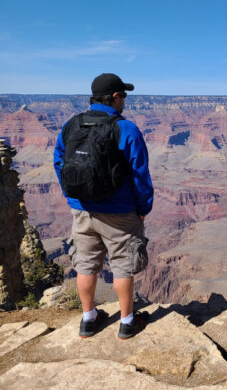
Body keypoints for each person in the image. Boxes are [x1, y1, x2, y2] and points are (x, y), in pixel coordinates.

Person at [53, 73, 153, 339]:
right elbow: (139, 174)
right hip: (119, 212)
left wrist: (71, 196)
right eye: (124, 96)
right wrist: (144, 207)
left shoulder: (71, 125)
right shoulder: (126, 128)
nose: (125, 101)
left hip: (82, 209)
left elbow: (59, 162)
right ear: (115, 97)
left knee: (85, 264)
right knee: (122, 265)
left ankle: (88, 319)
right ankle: (127, 321)